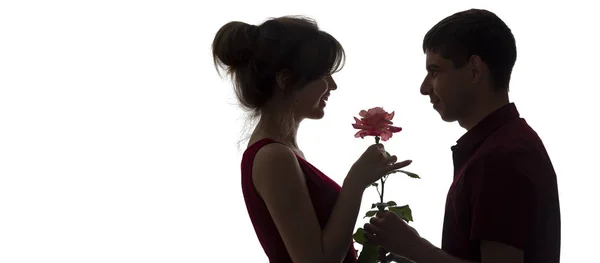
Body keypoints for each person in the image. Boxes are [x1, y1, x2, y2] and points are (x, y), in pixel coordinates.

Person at [363, 9, 561, 263]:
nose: (424, 88)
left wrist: (414, 247)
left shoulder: (501, 157)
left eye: (435, 71)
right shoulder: (505, 145)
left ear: (475, 70)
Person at [212, 16, 413, 263]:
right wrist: (356, 182)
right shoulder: (274, 157)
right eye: (324, 74)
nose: (333, 85)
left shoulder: (283, 153)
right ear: (285, 80)